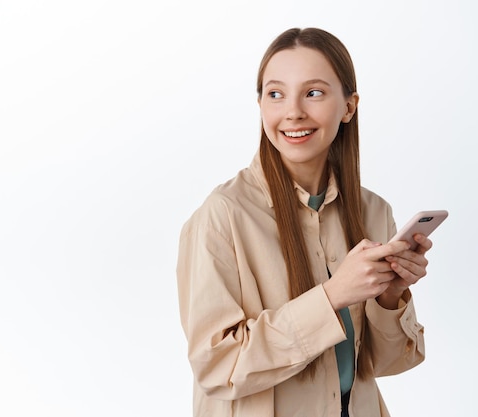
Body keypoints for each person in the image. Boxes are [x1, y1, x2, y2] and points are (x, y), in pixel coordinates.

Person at [176, 27, 429, 417]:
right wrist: (333, 296)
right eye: (275, 94)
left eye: (313, 93)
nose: (293, 111)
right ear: (260, 104)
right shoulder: (222, 216)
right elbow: (217, 367)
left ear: (348, 106)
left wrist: (388, 296)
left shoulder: (373, 211)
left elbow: (386, 364)